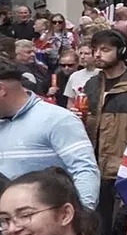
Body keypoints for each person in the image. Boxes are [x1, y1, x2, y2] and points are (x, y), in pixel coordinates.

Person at [0, 58, 100, 210]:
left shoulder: (58, 119)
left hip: (46, 219)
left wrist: (81, 215)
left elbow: (84, 170)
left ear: (2, 89)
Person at [84, 29, 127, 235]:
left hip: (124, 167)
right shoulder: (92, 84)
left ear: (122, 52)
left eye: (105, 49)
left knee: (120, 229)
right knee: (98, 229)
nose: (97, 54)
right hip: (95, 166)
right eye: (95, 49)